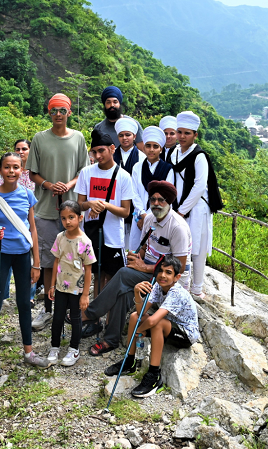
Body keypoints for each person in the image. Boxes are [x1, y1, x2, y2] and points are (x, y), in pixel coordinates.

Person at [82, 180, 192, 357]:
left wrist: (145, 267)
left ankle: (90, 313)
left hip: (168, 279)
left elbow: (178, 266)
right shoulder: (149, 219)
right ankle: (111, 340)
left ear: (169, 202)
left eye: (161, 200)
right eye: (153, 199)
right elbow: (144, 248)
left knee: (124, 274)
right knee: (124, 291)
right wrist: (137, 256)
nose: (156, 203)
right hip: (149, 271)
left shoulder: (177, 227)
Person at [27, 93, 89, 332]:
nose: (58, 115)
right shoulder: (39, 139)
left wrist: (69, 185)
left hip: (71, 210)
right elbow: (32, 172)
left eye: (62, 110)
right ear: (49, 112)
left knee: (73, 260)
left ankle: (71, 309)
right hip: (45, 208)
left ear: (69, 112)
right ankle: (49, 310)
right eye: (54, 110)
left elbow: (83, 172)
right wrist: (49, 185)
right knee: (49, 261)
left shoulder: (79, 139)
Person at [0, 152, 49, 372]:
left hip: (23, 255)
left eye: (16, 167)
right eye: (7, 167)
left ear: (22, 170)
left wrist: (36, 263)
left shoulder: (28, 195)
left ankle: (29, 352)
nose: (11, 171)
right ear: (1, 170)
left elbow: (32, 229)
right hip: (0, 254)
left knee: (24, 303)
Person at [118, 255, 200, 398]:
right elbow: (140, 312)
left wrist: (140, 330)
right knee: (134, 317)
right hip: (169, 326)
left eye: (168, 272)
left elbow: (152, 321)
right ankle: (129, 361)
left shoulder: (177, 292)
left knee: (157, 324)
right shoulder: (158, 285)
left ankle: (154, 376)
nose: (162, 275)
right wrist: (137, 292)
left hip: (185, 334)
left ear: (177, 277)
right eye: (160, 271)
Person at [168, 111, 222, 299]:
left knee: (197, 249)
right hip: (178, 208)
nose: (182, 137)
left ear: (195, 135)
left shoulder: (200, 156)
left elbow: (200, 186)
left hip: (197, 209)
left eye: (187, 133)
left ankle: (197, 288)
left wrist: (182, 211)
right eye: (179, 132)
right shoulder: (174, 153)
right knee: (178, 246)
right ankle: (180, 286)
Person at [75, 130, 132, 296]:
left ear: (112, 148)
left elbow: (125, 212)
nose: (98, 155)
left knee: (112, 276)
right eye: (95, 151)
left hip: (113, 236)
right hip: (91, 233)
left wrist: (104, 205)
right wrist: (90, 204)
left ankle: (109, 318)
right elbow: (79, 205)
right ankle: (95, 316)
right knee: (97, 275)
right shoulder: (87, 173)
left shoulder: (123, 176)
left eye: (102, 151)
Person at [46, 200, 95, 367]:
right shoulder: (60, 238)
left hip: (77, 289)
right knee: (58, 317)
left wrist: (85, 294)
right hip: (60, 287)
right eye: (63, 218)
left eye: (71, 217)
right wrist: (52, 285)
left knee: (75, 318)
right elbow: (56, 262)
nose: (67, 222)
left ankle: (74, 348)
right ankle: (54, 346)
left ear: (80, 218)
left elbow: (88, 270)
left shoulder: (85, 242)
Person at [129, 127, 174, 249]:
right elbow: (134, 193)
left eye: (155, 146)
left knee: (154, 251)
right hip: (139, 217)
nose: (151, 150)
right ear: (143, 147)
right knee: (136, 251)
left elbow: (166, 196)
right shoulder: (137, 168)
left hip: (159, 216)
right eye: (148, 146)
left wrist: (148, 218)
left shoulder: (168, 169)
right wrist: (142, 215)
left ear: (161, 149)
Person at [114, 117, 141, 250]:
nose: (124, 138)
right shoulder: (112, 156)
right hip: (115, 202)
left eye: (128, 135)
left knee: (131, 242)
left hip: (134, 203)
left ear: (134, 136)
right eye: (121, 135)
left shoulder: (142, 157)